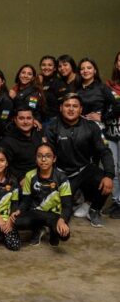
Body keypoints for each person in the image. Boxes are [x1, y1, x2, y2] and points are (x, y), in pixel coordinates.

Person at [45, 93, 114, 227]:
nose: (71, 109)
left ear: (81, 109)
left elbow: (104, 151)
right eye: (67, 105)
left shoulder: (91, 127)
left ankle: (93, 209)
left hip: (83, 170)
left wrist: (109, 175)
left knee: (103, 180)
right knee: (61, 213)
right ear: (61, 108)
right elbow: (48, 155)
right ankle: (76, 199)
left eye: (75, 106)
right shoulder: (52, 127)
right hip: (60, 173)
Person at [12, 143, 72, 247]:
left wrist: (62, 221)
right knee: (16, 222)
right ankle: (39, 228)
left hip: (55, 215)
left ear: (54, 159)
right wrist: (19, 210)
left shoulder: (62, 178)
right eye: (40, 156)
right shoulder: (30, 175)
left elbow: (67, 205)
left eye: (48, 156)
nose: (43, 160)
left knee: (64, 235)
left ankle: (52, 230)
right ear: (36, 158)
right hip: (36, 213)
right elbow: (26, 200)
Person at [0, 108, 43, 183]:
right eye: (21, 118)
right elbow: (4, 166)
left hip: (42, 178)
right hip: (20, 182)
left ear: (34, 120)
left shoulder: (39, 134)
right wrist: (20, 178)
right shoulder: (7, 141)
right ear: (15, 120)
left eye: (29, 118)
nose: (25, 122)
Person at [76, 57, 119, 127]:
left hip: (98, 128)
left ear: (95, 71)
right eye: (82, 69)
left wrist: (103, 117)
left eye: (89, 68)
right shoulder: (76, 90)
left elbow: (118, 105)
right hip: (80, 128)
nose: (85, 71)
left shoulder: (102, 87)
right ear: (79, 72)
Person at [104, 51, 120, 219]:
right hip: (111, 132)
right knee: (113, 169)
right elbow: (106, 108)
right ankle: (116, 202)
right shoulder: (109, 85)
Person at [9, 64, 44, 129]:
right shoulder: (15, 88)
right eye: (23, 73)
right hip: (15, 123)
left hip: (30, 124)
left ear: (33, 78)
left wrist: (15, 98)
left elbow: (30, 109)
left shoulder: (35, 92)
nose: (25, 76)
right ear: (19, 74)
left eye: (29, 74)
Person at [39, 55, 66, 126]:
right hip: (37, 118)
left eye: (50, 65)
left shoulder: (59, 83)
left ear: (54, 68)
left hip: (53, 120)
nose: (46, 67)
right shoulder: (37, 81)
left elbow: (63, 104)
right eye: (43, 65)